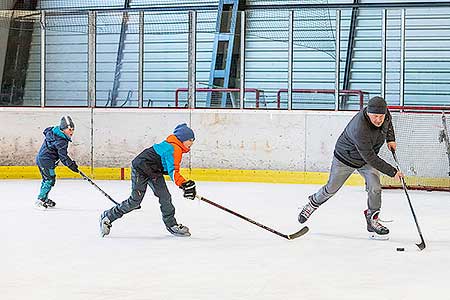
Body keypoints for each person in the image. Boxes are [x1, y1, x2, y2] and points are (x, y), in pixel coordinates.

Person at [298, 96, 403, 239]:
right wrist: (392, 172)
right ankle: (312, 203)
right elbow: (370, 157)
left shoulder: (385, 114)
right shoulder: (359, 128)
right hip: (346, 159)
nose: (379, 120)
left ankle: (373, 218)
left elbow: (388, 124)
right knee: (331, 188)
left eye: (381, 116)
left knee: (375, 187)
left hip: (366, 159)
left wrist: (391, 139)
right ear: (368, 113)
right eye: (375, 116)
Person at [99, 123, 197, 238]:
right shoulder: (174, 148)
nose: (192, 143)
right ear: (182, 139)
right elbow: (173, 171)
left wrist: (184, 185)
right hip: (141, 169)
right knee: (135, 201)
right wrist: (184, 184)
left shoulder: (175, 146)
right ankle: (108, 216)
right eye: (190, 140)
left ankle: (172, 225)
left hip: (154, 171)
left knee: (165, 196)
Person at [35, 116, 79, 209]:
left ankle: (44, 198)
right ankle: (40, 200)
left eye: (73, 129)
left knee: (47, 179)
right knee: (49, 180)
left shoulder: (53, 132)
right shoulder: (61, 141)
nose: (71, 132)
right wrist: (72, 166)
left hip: (42, 159)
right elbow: (63, 157)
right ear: (63, 130)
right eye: (69, 129)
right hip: (46, 161)